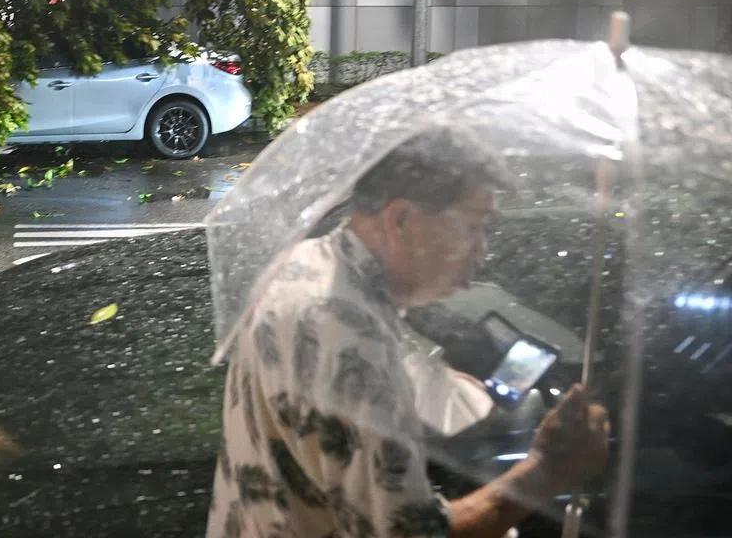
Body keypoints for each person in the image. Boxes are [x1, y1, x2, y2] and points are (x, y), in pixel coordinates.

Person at [206, 125, 610, 538]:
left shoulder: (307, 263)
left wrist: (419, 384)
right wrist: (547, 471)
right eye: (475, 226)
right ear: (401, 219)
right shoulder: (351, 338)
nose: (483, 248)